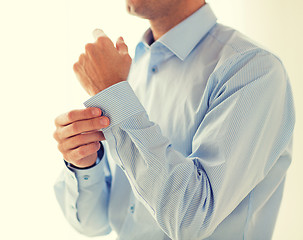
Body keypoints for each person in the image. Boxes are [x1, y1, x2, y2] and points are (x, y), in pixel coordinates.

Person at [53, 0, 295, 239]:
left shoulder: (251, 69)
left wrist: (114, 92)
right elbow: (94, 224)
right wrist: (84, 164)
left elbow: (190, 221)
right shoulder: (131, 68)